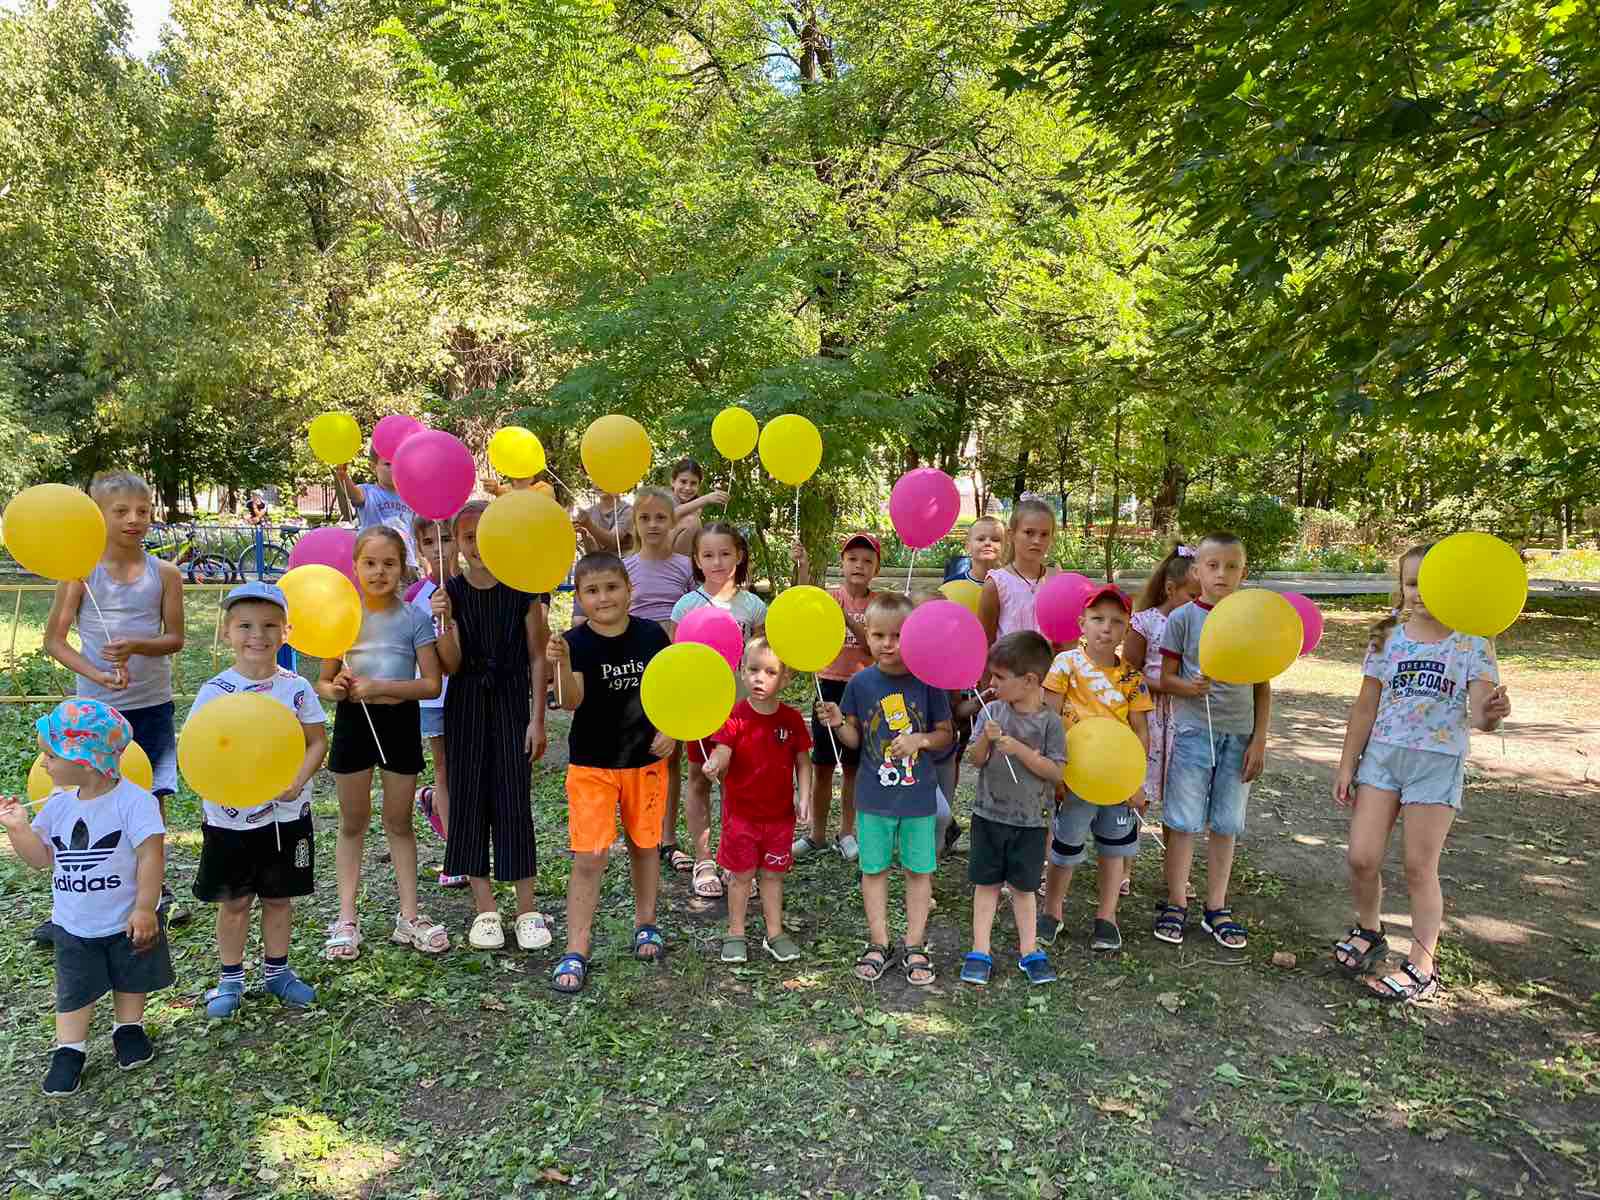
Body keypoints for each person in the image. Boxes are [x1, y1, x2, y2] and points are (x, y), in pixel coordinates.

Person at [1333, 544, 1510, 1003]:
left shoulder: (1473, 640)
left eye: (1431, 584)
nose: (1420, 593)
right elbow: (1366, 704)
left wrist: (1493, 713)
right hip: (1382, 759)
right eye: (1412, 583)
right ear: (1401, 586)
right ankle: (1369, 931)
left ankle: (1422, 964)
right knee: (1362, 857)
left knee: (1418, 867)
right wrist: (1347, 762)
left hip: (1436, 763)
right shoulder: (1386, 634)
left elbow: (1480, 716)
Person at [0, 699, 173, 1095]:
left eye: (50, 755)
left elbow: (151, 856)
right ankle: (69, 1050)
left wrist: (144, 908)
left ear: (88, 761)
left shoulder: (135, 803)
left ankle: (128, 1028)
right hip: (73, 924)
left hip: (126, 918)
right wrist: (18, 829)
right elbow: (40, 859)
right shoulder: (58, 805)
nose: (43, 764)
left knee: (131, 975)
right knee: (74, 988)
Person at [43, 472, 187, 933]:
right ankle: (77, 892)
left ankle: (155, 891)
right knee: (86, 796)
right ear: (97, 516)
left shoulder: (165, 574)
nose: (133, 519)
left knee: (150, 796)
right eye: (120, 511)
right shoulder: (80, 574)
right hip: (96, 712)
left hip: (152, 706)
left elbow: (175, 638)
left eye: (143, 511)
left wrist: (137, 646)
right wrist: (98, 674)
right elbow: (54, 641)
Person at [187, 582, 328, 1017]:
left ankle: (277, 973)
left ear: (286, 632)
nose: (257, 635)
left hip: (287, 816)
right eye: (245, 626)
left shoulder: (296, 687)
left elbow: (316, 742)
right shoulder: (215, 691)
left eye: (269, 626)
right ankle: (230, 980)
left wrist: (298, 780)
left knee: (279, 898)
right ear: (227, 632)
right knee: (234, 902)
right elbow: (197, 751)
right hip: (229, 820)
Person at [546, 553, 676, 994]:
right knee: (590, 857)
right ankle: (576, 947)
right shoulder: (573, 642)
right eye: (592, 591)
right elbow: (570, 702)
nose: (603, 598)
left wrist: (671, 730)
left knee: (645, 845)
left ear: (629, 590)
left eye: (612, 587)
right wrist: (561, 664)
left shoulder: (651, 635)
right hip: (592, 766)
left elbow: (672, 690)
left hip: (646, 764)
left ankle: (646, 923)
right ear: (579, 598)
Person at [317, 526, 446, 960]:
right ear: (355, 567)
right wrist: (337, 689)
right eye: (370, 563)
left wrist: (380, 687)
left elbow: (431, 684)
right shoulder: (343, 618)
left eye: (389, 563)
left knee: (399, 822)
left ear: (402, 568)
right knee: (353, 822)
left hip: (399, 723)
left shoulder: (414, 618)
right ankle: (346, 918)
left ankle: (409, 916)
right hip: (354, 723)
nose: (379, 572)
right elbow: (323, 681)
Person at [431, 501, 552, 952]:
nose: (478, 546)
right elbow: (451, 663)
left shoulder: (523, 591)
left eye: (486, 536)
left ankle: (526, 910)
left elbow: (537, 657)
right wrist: (443, 621)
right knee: (468, 800)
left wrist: (537, 718)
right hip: (466, 703)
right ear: (458, 544)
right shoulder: (451, 592)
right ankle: (485, 909)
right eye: (468, 538)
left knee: (513, 798)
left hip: (511, 701)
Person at [816, 592, 953, 987]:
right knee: (873, 870)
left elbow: (946, 734)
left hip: (918, 798)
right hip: (873, 799)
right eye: (878, 635)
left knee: (918, 871)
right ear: (867, 635)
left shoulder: (928, 681)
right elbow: (855, 740)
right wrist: (838, 723)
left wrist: (919, 740)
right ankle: (879, 943)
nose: (888, 644)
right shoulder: (860, 682)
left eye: (897, 635)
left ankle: (914, 944)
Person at [1157, 531, 1270, 949]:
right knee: (1184, 820)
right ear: (1197, 571)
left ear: (1243, 571)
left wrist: (1259, 739)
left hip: (1239, 735)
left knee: (1226, 823)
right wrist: (1188, 687)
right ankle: (1176, 901)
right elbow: (1166, 678)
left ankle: (1216, 907)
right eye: (1212, 565)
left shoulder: (1252, 622)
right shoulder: (1182, 619)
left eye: (1232, 566)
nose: (1222, 574)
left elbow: (1262, 686)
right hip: (1193, 733)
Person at [1040, 585, 1153, 951]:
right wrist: (1056, 772)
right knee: (1065, 846)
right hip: (1075, 779)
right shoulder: (1065, 665)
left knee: (1114, 849)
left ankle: (1107, 917)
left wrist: (1136, 781)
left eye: (1117, 621)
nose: (1106, 627)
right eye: (1098, 619)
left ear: (1127, 629)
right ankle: (1052, 912)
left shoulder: (1133, 679)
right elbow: (1049, 719)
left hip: (1117, 782)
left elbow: (1141, 731)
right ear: (1082, 624)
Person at [961, 632, 1067, 986]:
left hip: (1031, 822)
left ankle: (1029, 950)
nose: (991, 684)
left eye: (999, 677)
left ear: (1030, 681)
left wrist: (1019, 750)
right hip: (988, 815)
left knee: (1023, 888)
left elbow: (1056, 772)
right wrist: (985, 740)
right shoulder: (991, 711)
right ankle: (980, 949)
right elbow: (975, 760)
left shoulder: (1051, 723)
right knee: (986, 884)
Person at [670, 522, 768, 899]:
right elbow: (676, 661)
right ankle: (703, 859)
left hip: (741, 710)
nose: (717, 562)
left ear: (738, 556)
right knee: (699, 777)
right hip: (700, 708)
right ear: (697, 560)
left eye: (725, 553)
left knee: (737, 782)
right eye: (708, 555)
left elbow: (760, 661)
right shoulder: (686, 606)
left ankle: (734, 858)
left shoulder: (753, 606)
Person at [703, 638, 813, 964]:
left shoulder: (791, 719)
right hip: (741, 817)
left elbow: (803, 761)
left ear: (785, 677)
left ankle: (774, 933)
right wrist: (714, 763)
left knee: (773, 876)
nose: (759, 679)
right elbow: (723, 750)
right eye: (752, 670)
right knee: (741, 877)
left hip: (779, 818)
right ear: (741, 671)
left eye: (770, 672)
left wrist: (804, 795)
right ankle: (735, 932)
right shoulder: (735, 715)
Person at [790, 532, 880, 862]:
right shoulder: (830, 597)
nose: (859, 565)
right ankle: (816, 835)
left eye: (867, 561)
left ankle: (846, 832)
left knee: (853, 766)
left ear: (876, 569)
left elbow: (873, 646)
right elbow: (803, 604)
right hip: (827, 687)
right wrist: (802, 567)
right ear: (842, 564)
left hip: (863, 689)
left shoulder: (878, 604)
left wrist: (845, 620)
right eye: (852, 559)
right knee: (824, 765)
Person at [619, 487, 696, 871]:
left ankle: (668, 838)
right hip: (633, 670)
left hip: (674, 669)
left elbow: (696, 614)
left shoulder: (686, 567)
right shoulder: (626, 568)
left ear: (673, 522)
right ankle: (639, 832)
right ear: (634, 523)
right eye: (645, 518)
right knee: (635, 752)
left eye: (661, 518)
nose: (653, 525)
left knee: (670, 754)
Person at [1122, 544, 1202, 895]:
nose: (1198, 602)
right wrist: (1169, 685)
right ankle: (1123, 866)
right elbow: (1129, 673)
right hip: (1148, 717)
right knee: (1138, 796)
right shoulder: (1145, 623)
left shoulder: (1201, 623)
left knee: (1178, 798)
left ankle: (1176, 874)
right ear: (1171, 589)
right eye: (1192, 595)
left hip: (1185, 719)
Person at [409, 516, 465, 888]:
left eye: (445, 538)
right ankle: (455, 855)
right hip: (434, 697)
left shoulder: (472, 587)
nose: (439, 548)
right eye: (429, 542)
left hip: (473, 691)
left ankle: (433, 802)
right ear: (419, 548)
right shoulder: (414, 596)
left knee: (469, 770)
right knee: (445, 769)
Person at [979, 497, 1059, 643]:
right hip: (1008, 658)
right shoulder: (996, 584)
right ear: (1011, 535)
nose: (1037, 541)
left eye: (1044, 534)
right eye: (1029, 532)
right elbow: (986, 641)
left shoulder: (1055, 579)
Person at [334, 448, 418, 567]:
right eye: (388, 464)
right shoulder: (368, 492)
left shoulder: (410, 497)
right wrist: (343, 476)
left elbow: (414, 533)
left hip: (406, 562)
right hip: (375, 561)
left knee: (415, 579)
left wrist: (424, 563)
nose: (394, 468)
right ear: (373, 467)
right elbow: (354, 494)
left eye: (398, 464)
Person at [667, 458, 730, 556]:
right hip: (658, 551)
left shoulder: (695, 508)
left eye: (693, 483)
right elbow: (669, 516)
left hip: (681, 553)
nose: (687, 488)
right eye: (683, 482)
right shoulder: (664, 497)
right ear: (673, 482)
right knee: (692, 522)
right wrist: (705, 499)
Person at [943, 514, 1006, 585]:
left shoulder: (1011, 583)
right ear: (968, 546)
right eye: (981, 539)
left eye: (995, 540)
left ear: (1004, 546)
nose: (987, 543)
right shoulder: (951, 584)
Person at [575, 491, 636, 557]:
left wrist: (589, 525)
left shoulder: (627, 511)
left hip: (623, 562)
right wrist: (584, 534)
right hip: (600, 562)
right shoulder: (589, 512)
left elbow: (613, 541)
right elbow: (592, 553)